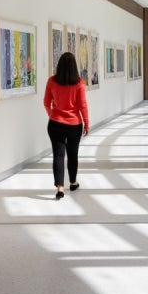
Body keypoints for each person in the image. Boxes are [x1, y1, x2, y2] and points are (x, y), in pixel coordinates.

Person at [43, 52, 89, 199]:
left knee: (58, 155)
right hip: (74, 125)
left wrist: (52, 114)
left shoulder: (51, 81)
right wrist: (86, 123)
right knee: (72, 154)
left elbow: (46, 102)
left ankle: (60, 188)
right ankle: (73, 182)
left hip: (55, 124)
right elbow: (83, 106)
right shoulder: (79, 83)